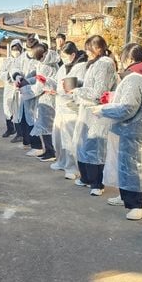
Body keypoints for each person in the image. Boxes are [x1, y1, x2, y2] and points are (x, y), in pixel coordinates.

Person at [94, 43, 142, 220]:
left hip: (133, 131)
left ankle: (137, 204)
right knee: (125, 167)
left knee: (133, 168)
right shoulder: (140, 76)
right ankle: (125, 197)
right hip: (130, 130)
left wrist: (103, 110)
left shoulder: (134, 78)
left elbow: (127, 109)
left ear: (127, 59)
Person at [71, 35, 118, 196]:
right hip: (89, 111)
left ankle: (97, 183)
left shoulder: (104, 64)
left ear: (98, 48)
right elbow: (90, 86)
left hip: (99, 112)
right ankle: (86, 178)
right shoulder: (95, 64)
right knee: (84, 144)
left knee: (96, 146)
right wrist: (78, 86)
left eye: (89, 48)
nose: (86, 52)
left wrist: (77, 90)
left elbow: (99, 92)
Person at [51, 41, 88, 179]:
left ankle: (72, 168)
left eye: (66, 55)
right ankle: (61, 161)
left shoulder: (81, 67)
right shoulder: (64, 67)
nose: (64, 58)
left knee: (70, 139)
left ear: (73, 54)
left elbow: (77, 87)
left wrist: (64, 90)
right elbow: (58, 83)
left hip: (71, 108)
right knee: (59, 136)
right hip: (60, 105)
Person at [20, 43, 61, 161]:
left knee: (46, 125)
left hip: (46, 97)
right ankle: (47, 150)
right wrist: (28, 81)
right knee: (43, 124)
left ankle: (50, 151)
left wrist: (26, 89)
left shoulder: (46, 66)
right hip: (45, 96)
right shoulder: (46, 63)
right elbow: (38, 78)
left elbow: (39, 86)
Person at [11, 35, 43, 154]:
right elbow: (15, 67)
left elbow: (40, 76)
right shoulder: (23, 57)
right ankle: (27, 141)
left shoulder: (39, 59)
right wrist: (17, 76)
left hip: (33, 91)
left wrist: (28, 81)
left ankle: (37, 145)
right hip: (23, 91)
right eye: (28, 49)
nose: (30, 52)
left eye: (32, 49)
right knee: (23, 117)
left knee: (33, 118)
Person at [0, 39, 23, 139]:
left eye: (17, 49)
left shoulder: (23, 60)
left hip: (19, 88)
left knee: (18, 109)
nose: (15, 51)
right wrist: (9, 76)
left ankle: (20, 132)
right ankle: (10, 128)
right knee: (7, 107)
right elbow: (1, 73)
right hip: (9, 87)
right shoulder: (7, 61)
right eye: (13, 49)